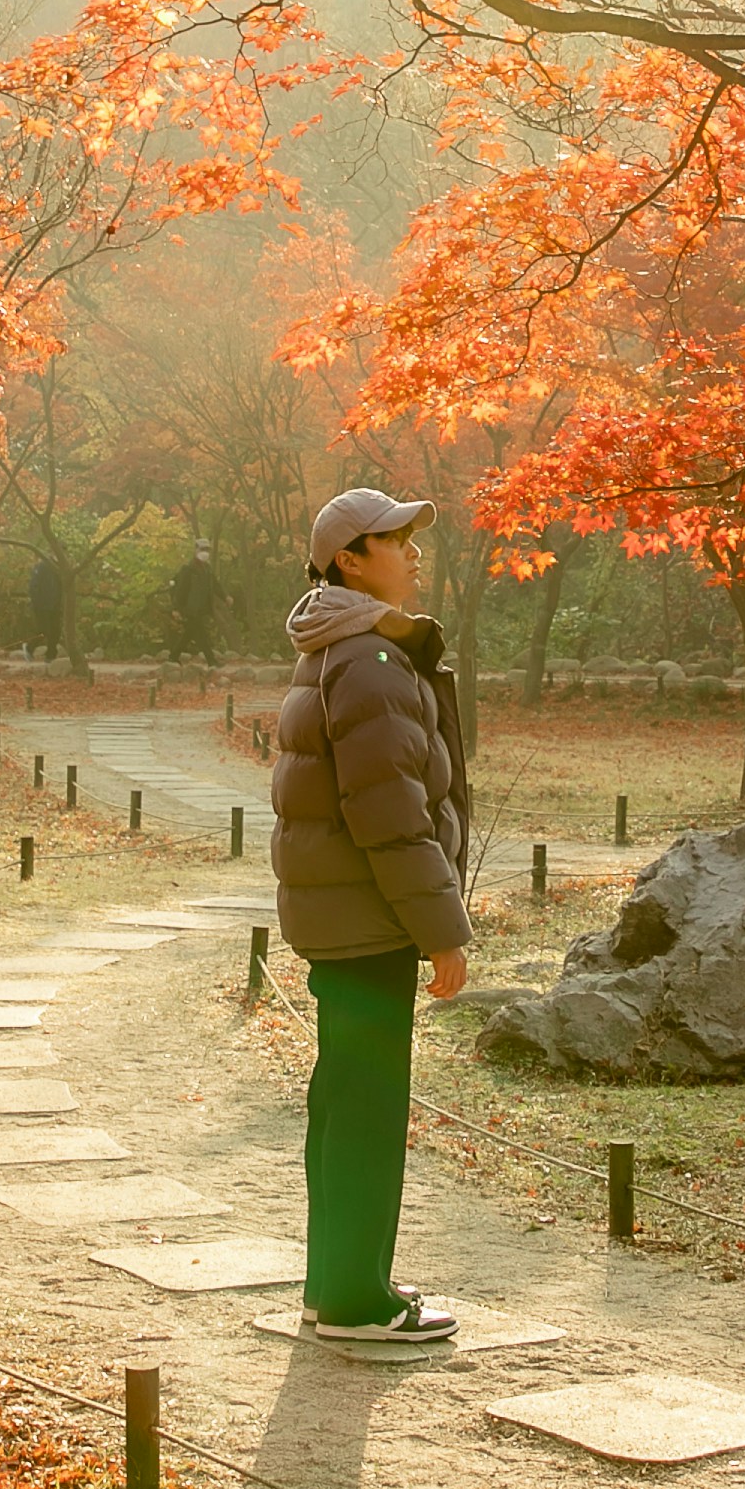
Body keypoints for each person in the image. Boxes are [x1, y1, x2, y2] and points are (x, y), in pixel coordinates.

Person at [268, 486, 472, 1353]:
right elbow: (390, 811)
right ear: (351, 558)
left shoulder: (349, 650)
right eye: (396, 539)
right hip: (370, 915)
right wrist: (443, 929)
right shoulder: (370, 663)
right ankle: (356, 1302)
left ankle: (337, 1285)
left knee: (345, 1098)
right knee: (367, 1106)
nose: (414, 552)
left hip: (344, 913)